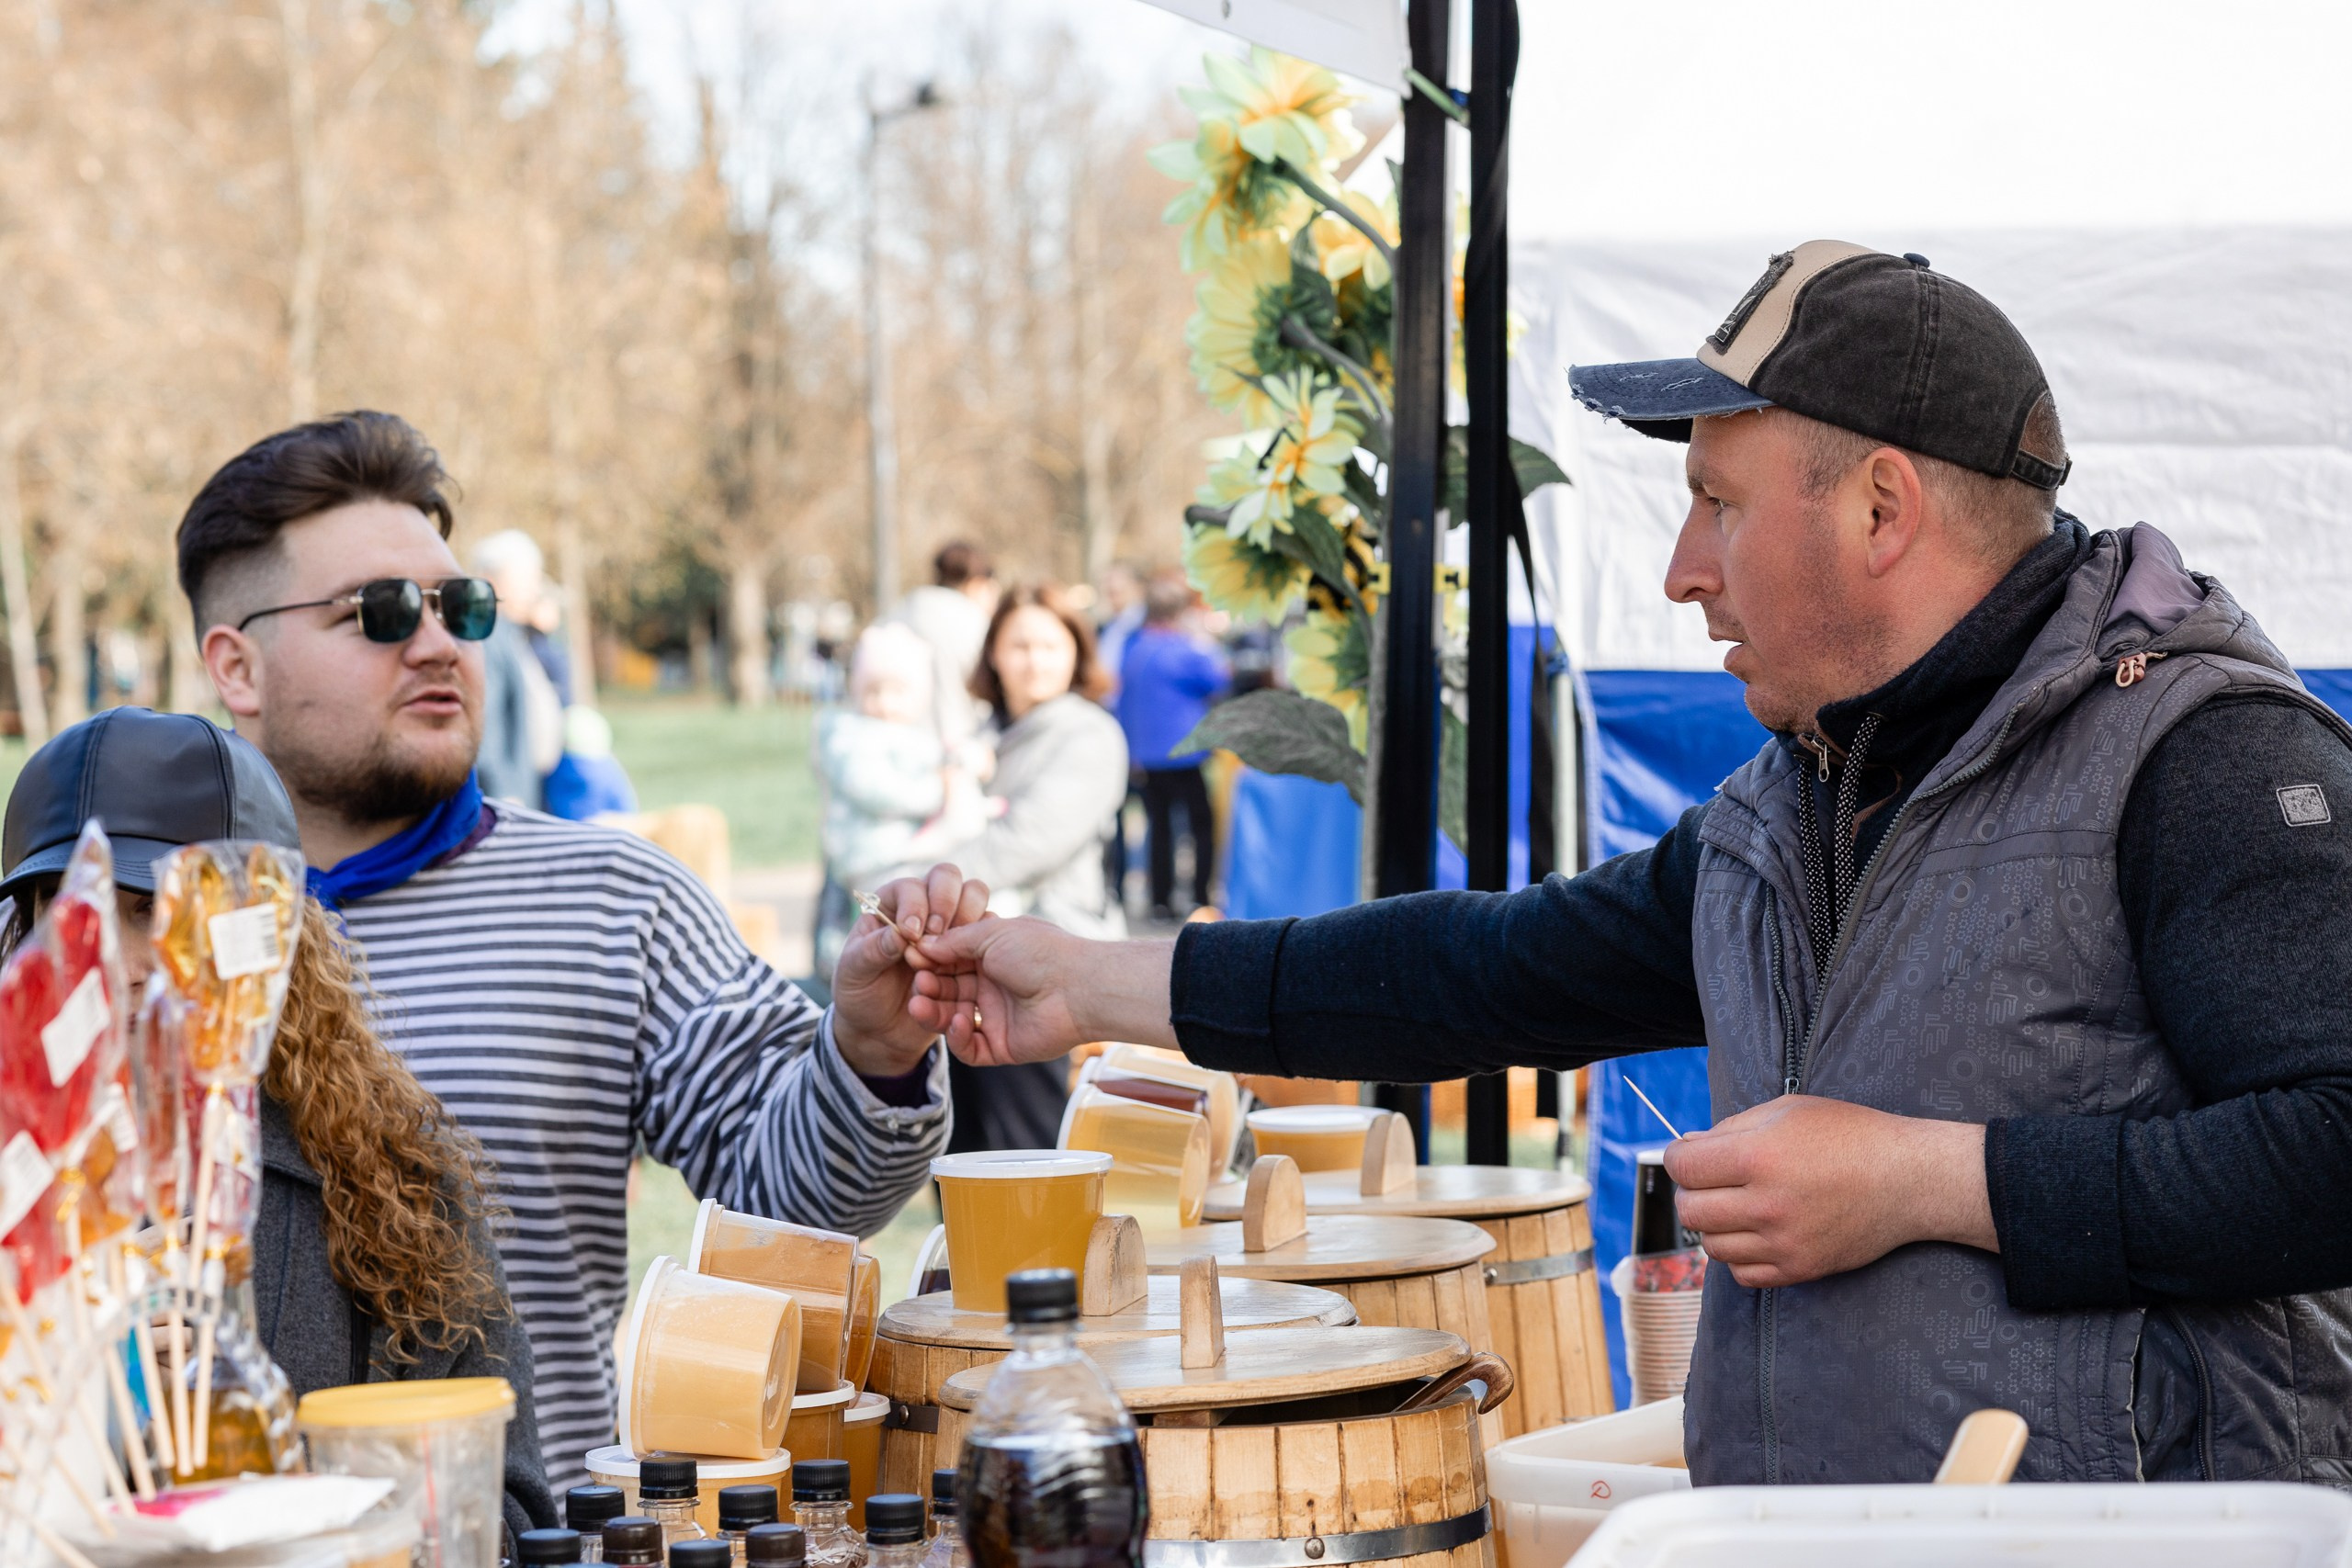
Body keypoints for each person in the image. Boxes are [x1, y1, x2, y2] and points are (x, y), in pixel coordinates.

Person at [894, 243, 2352, 1487]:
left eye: (1721, 501)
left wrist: (1927, 1179)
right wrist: (1086, 982)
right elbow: (1481, 970)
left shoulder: (2205, 754)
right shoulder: (1794, 803)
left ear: (1883, 507)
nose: (1681, 569)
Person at [175, 411, 966, 1484]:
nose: (439, 643)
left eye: (461, 606)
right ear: (237, 667)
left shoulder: (615, 899)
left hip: (530, 1531)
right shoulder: (123, 931)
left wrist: (871, 1053)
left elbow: (799, 1204)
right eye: (382, 610)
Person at [0, 707, 556, 1536]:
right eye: (87, 912)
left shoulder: (396, 1188)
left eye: (163, 911)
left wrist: (265, 1454)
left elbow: (504, 1511)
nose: (127, 959)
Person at [933, 585, 1127, 1153]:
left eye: (1050, 645)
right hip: (963, 961)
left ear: (1076, 652)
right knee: (959, 1152)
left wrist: (923, 880)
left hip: (1047, 963)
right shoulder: (980, 735)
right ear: (993, 653)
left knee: (1025, 1152)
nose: (1034, 660)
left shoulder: (1088, 734)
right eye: (1019, 645)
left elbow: (1027, 842)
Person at [811, 623, 989, 976]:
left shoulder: (914, 737)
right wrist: (938, 791)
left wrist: (965, 763)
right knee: (871, 926)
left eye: (898, 692)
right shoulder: (852, 736)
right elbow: (874, 788)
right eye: (874, 691)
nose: (885, 703)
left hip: (903, 852)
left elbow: (945, 761)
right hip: (870, 854)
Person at [1114, 572, 1229, 920]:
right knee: (1200, 828)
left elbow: (1124, 703)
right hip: (1186, 755)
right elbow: (1219, 680)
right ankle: (1199, 896)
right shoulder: (1185, 650)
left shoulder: (1133, 650)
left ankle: (1160, 900)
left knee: (1159, 828)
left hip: (1148, 756)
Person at [888, 540, 999, 749]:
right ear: (977, 584)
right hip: (961, 747)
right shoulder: (977, 625)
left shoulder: (898, 614)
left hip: (899, 747)